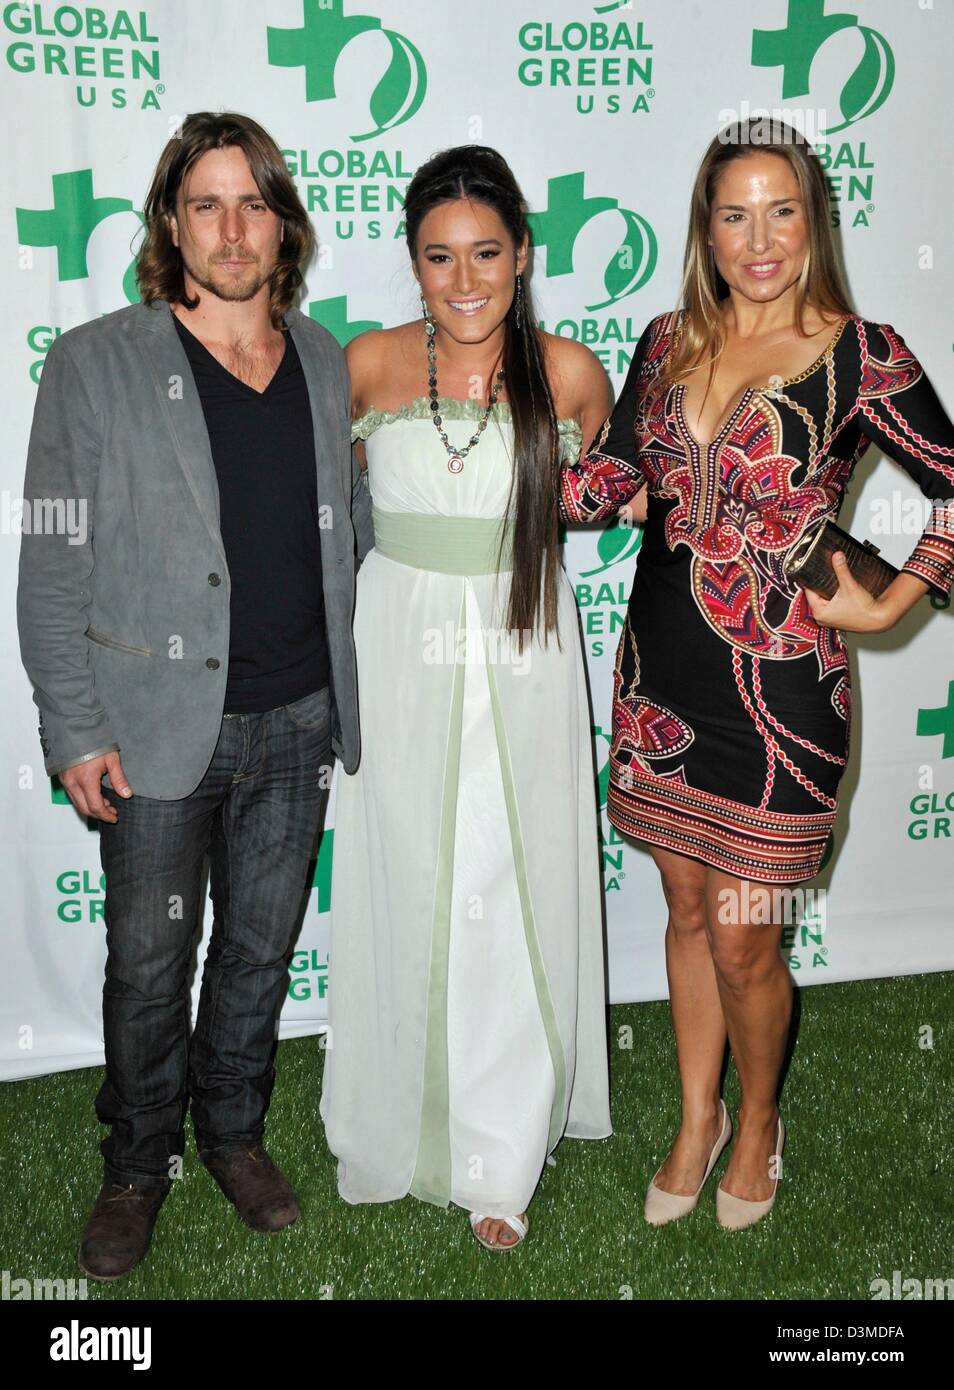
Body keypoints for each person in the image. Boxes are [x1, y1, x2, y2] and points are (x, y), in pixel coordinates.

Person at [560, 119, 954, 1230]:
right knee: (687, 908)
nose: (759, 238)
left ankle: (762, 1115)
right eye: (734, 214)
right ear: (707, 228)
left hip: (784, 696)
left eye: (781, 210)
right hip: (661, 678)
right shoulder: (665, 339)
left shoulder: (862, 353)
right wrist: (529, 468)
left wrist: (889, 595)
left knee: (745, 931)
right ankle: (697, 1116)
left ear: (814, 221)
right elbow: (627, 484)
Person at [17, 111, 373, 1280]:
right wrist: (72, 724)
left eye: (252, 203)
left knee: (260, 954)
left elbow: (350, 534)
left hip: (299, 718)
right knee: (148, 963)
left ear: (284, 226)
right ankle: (136, 1164)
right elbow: (50, 554)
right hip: (155, 726)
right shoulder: (95, 360)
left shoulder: (324, 360)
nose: (231, 228)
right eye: (206, 202)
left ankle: (232, 1134)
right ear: (172, 220)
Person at [319, 145, 617, 1250]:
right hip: (396, 643)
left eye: (486, 251)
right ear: (411, 259)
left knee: (510, 873)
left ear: (523, 253)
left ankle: (500, 1145)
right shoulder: (366, 366)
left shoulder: (573, 373)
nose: (463, 278)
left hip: (525, 645)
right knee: (406, 872)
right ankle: (392, 1116)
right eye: (438, 255)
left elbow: (625, 497)